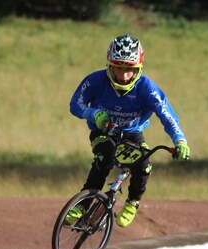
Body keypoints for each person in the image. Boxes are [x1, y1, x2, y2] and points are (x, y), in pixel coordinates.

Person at [67, 33, 190, 227]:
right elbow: (75, 104)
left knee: (144, 164)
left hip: (132, 133)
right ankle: (82, 205)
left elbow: (167, 116)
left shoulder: (148, 89)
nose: (124, 76)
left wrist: (180, 140)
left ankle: (133, 202)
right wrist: (93, 114)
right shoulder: (95, 80)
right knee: (104, 157)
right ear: (109, 65)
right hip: (103, 131)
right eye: (118, 68)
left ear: (138, 69)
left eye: (129, 70)